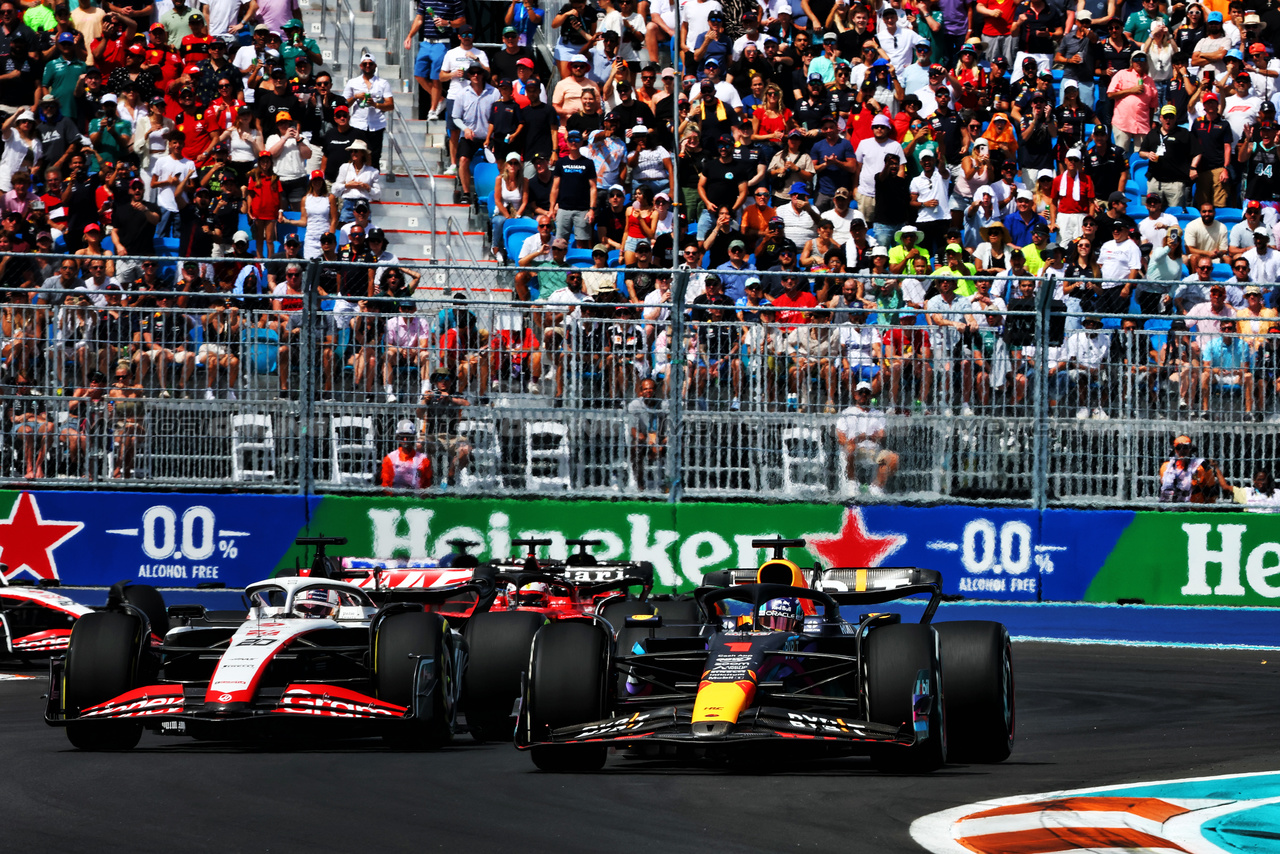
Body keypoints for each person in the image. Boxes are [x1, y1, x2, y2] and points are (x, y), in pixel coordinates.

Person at [835, 380, 899, 496]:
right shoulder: (847, 413)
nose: (863, 395)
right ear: (855, 395)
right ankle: (852, 482)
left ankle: (876, 486)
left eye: (866, 392)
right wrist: (853, 441)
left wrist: (863, 437)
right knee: (850, 449)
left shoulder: (878, 414)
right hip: (855, 450)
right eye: (861, 392)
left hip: (873, 450)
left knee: (893, 458)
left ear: (870, 395)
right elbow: (840, 437)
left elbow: (881, 435)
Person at [1158, 434, 1225, 502]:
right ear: (1175, 450)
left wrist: (1208, 509)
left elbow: (1211, 489)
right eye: (1179, 447)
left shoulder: (1201, 466)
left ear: (1190, 449)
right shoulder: (1166, 467)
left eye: (1185, 447)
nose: (1182, 450)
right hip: (1170, 506)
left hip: (1194, 507)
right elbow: (1163, 487)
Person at [627, 376, 666, 490]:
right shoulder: (635, 405)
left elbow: (670, 431)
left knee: (677, 446)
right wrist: (651, 443)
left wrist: (662, 443)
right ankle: (640, 483)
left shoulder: (664, 405)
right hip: (644, 440)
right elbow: (633, 430)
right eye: (645, 389)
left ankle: (670, 483)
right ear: (640, 391)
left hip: (660, 439)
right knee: (636, 447)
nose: (648, 391)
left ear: (655, 390)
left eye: (651, 388)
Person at [380, 419, 433, 491]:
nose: (405, 440)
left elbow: (426, 486)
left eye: (408, 437)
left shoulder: (423, 460)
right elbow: (386, 485)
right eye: (402, 437)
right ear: (397, 438)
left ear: (414, 437)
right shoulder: (389, 459)